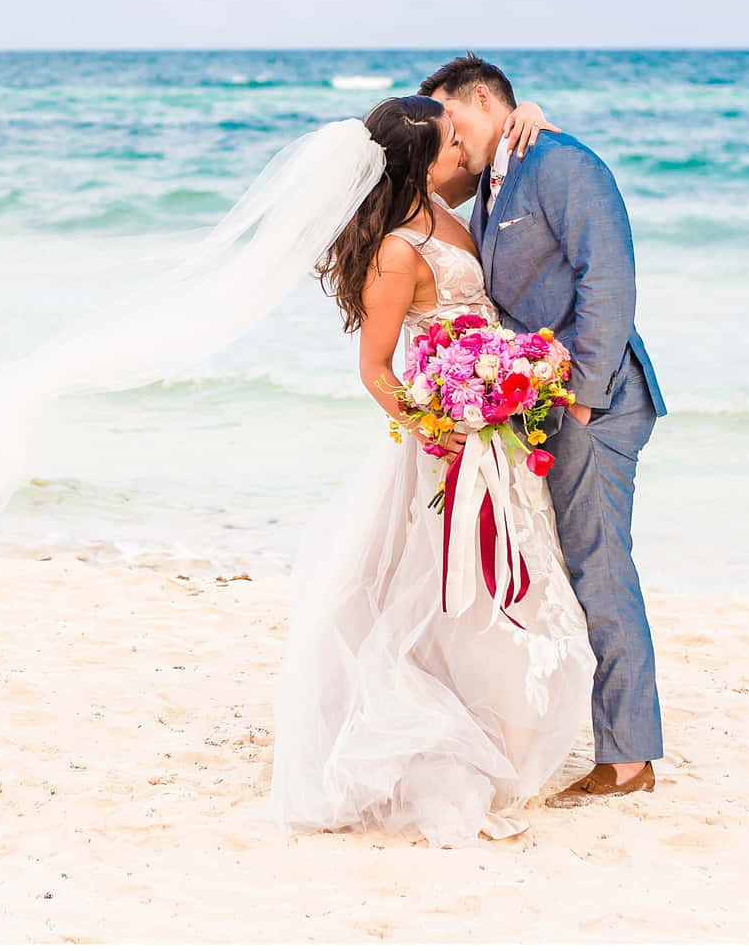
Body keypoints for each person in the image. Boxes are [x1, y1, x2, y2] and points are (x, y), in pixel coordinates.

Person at [267, 95, 595, 847]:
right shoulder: (394, 250)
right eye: (451, 143)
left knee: (496, 586)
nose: (463, 152)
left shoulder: (451, 211)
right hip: (445, 443)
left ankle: (497, 722)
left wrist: (531, 113)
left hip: (491, 434)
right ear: (420, 160)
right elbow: (376, 369)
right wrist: (440, 427)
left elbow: (497, 170)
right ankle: (435, 735)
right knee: (432, 588)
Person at [426, 54, 669, 806]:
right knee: (569, 569)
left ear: (481, 98)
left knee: (600, 567)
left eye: (454, 120)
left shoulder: (560, 163)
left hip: (595, 403)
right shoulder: (496, 187)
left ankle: (629, 760)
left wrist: (587, 398)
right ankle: (595, 737)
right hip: (542, 410)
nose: (451, 138)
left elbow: (609, 277)